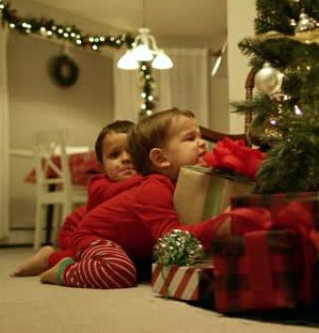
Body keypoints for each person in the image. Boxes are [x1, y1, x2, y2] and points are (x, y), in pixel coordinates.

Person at [40, 107, 214, 288]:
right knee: (121, 271)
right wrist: (221, 225)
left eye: (200, 136)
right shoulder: (155, 187)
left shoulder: (185, 183)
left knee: (151, 268)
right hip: (93, 237)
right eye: (190, 138)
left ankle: (60, 259)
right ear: (161, 158)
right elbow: (173, 238)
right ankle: (65, 271)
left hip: (129, 245)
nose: (202, 143)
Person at [11, 120, 138, 277]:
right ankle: (48, 259)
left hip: (115, 237)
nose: (126, 158)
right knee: (85, 254)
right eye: (114, 155)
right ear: (101, 167)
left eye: (133, 152)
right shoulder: (100, 186)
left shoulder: (149, 183)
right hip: (76, 230)